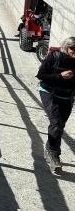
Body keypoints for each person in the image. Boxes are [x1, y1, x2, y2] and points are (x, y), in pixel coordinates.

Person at [36, 37, 75, 173]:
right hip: (49, 92)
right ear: (66, 47)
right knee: (56, 123)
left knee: (60, 125)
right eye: (72, 49)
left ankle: (49, 148)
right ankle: (54, 155)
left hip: (67, 95)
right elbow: (41, 75)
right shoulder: (55, 57)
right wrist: (59, 76)